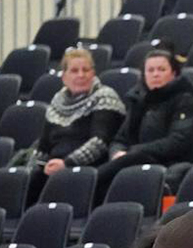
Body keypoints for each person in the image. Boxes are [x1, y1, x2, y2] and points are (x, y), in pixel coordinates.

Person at [94, 48, 193, 203]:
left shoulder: (185, 100)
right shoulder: (138, 101)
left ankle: (86, 186)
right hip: (137, 159)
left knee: (112, 172)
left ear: (173, 73)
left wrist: (133, 152)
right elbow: (120, 139)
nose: (155, 74)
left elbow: (178, 141)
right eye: (150, 70)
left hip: (172, 161)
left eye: (161, 69)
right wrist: (117, 153)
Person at [28, 49, 126, 203]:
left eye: (86, 70)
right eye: (74, 71)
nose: (81, 75)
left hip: (88, 169)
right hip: (56, 168)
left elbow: (100, 142)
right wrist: (39, 166)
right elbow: (43, 146)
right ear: (64, 77)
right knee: (28, 181)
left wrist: (67, 163)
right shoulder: (57, 101)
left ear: (93, 73)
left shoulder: (105, 96)